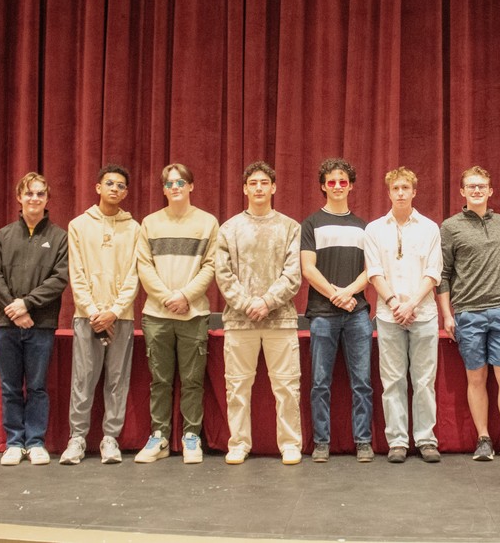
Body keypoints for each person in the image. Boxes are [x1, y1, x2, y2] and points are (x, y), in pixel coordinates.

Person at [215, 161, 304, 466]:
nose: (259, 188)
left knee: (287, 386)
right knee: (237, 386)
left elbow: (293, 274)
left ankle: (291, 443)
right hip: (240, 322)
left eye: (264, 182)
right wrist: (246, 304)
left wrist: (266, 301)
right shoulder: (229, 229)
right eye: (253, 183)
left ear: (274, 187)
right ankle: (239, 443)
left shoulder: (290, 227)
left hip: (281, 319)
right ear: (245, 189)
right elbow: (223, 275)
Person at [437, 166, 500, 462]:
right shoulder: (450, 226)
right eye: (471, 186)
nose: (476, 191)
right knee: (476, 379)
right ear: (462, 192)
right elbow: (444, 274)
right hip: (467, 314)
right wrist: (447, 315)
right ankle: (484, 438)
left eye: (482, 187)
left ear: (490, 191)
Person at [134, 163, 219, 464]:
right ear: (163, 190)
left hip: (193, 314)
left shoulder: (208, 223)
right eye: (169, 184)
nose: (175, 188)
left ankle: (191, 436)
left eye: (181, 182)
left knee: (193, 380)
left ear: (191, 186)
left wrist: (185, 296)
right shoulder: (150, 223)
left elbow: (211, 265)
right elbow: (144, 266)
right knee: (160, 380)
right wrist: (167, 297)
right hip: (157, 315)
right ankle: (159, 437)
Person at [0, 172, 69, 466]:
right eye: (29, 193)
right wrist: (13, 308)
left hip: (41, 325)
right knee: (9, 387)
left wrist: (27, 305)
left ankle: (35, 442)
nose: (34, 198)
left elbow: (60, 279)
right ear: (19, 198)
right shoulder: (2, 236)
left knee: (36, 387)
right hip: (5, 325)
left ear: (47, 200)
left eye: (40, 194)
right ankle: (13, 442)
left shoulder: (59, 237)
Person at [60, 164, 140, 465]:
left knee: (117, 379)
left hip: (122, 317)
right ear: (98, 187)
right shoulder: (79, 225)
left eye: (121, 186)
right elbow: (76, 273)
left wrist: (115, 311)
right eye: (110, 184)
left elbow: (135, 274)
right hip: (87, 317)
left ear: (126, 192)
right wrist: (94, 312)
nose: (115, 189)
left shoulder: (135, 228)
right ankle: (77, 438)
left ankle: (110, 439)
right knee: (83, 379)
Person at [364, 167, 443, 464]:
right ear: (388, 192)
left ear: (414, 192)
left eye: (405, 188)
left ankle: (425, 439)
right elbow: (374, 272)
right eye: (395, 188)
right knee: (393, 379)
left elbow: (433, 272)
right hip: (388, 315)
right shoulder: (374, 229)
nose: (400, 193)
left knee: (423, 381)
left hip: (423, 314)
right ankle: (397, 440)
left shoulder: (430, 228)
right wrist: (396, 302)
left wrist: (412, 305)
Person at [301, 158, 373, 462]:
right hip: (322, 314)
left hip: (357, 313)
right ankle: (321, 441)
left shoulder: (363, 227)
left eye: (343, 181)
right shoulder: (311, 223)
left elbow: (371, 270)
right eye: (332, 182)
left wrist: (349, 293)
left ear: (351, 186)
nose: (338, 186)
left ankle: (364, 441)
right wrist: (335, 295)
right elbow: (307, 268)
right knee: (319, 382)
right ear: (323, 186)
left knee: (362, 382)